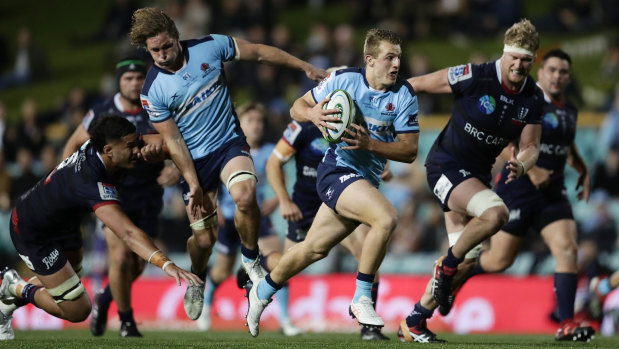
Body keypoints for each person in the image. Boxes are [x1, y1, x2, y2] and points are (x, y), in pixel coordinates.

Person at [129, 7, 326, 321]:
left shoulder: (210, 45)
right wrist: (192, 182)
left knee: (246, 195)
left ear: (177, 37)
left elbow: (259, 52)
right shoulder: (153, 91)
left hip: (228, 143)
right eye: (155, 51)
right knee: (204, 240)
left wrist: (303, 66)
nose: (163, 54)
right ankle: (198, 274)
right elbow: (174, 142)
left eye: (167, 46)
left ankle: (250, 261)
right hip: (193, 159)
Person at [244, 28, 420, 338]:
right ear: (370, 60)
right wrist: (312, 113)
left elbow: (409, 150)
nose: (396, 64)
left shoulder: (404, 95)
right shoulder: (344, 80)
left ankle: (262, 290)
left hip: (364, 180)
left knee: (312, 250)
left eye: (399, 58)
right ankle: (362, 297)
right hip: (336, 171)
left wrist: (370, 145)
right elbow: (296, 106)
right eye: (389, 58)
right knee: (386, 217)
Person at [398, 19, 544, 343]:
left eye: (526, 59)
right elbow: (418, 84)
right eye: (514, 57)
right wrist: (379, 102)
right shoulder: (475, 76)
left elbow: (532, 146)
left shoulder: (533, 98)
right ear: (504, 54)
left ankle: (415, 321)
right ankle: (445, 268)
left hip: (475, 177)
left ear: (533, 60)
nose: (519, 64)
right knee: (496, 215)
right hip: (445, 166)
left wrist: (522, 163)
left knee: (469, 263)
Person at [0, 116, 202, 341]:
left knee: (72, 275)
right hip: (32, 230)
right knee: (78, 309)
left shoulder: (103, 146)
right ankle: (16, 287)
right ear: (108, 150)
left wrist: (162, 153)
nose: (137, 150)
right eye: (131, 147)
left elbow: (166, 140)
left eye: (137, 144)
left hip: (63, 221)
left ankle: (8, 299)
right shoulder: (91, 183)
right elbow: (128, 233)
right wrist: (167, 264)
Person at [443, 49, 595, 341]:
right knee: (499, 261)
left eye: (563, 72)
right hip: (518, 189)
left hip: (553, 192)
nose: (557, 76)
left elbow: (565, 145)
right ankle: (458, 275)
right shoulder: (526, 102)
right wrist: (529, 168)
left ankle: (566, 324)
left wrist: (582, 166)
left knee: (567, 249)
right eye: (552, 70)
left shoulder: (569, 110)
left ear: (568, 77)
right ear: (541, 72)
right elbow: (499, 142)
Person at [62, 57, 176, 337]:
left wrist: (175, 168)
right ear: (119, 82)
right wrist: (70, 185)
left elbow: (175, 144)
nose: (135, 83)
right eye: (128, 79)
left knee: (137, 265)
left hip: (149, 194)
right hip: (112, 193)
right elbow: (73, 143)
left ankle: (104, 299)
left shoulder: (157, 108)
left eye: (139, 78)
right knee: (121, 257)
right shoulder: (102, 111)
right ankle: (127, 322)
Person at [262, 114, 389, 341]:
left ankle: (369, 328)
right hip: (304, 206)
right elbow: (274, 162)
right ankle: (260, 264)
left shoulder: (354, 121)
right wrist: (283, 200)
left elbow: (370, 152)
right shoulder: (302, 127)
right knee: (288, 264)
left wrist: (380, 166)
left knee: (366, 251)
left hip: (338, 200)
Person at [195, 102, 300, 336]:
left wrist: (277, 199)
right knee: (222, 271)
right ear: (239, 124)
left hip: (258, 217)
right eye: (251, 120)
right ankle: (206, 306)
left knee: (280, 263)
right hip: (230, 219)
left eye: (260, 121)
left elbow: (279, 179)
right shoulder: (226, 149)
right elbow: (209, 181)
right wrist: (214, 207)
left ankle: (285, 319)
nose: (257, 125)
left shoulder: (270, 151)